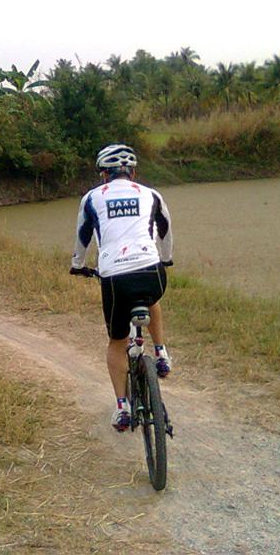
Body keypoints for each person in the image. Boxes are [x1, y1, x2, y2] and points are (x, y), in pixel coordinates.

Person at [70, 143, 174, 432]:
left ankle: (122, 408)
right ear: (133, 173)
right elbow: (165, 229)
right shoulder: (151, 194)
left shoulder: (92, 198)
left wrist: (78, 265)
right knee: (151, 298)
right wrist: (165, 259)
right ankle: (161, 353)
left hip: (116, 278)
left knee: (117, 341)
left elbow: (82, 236)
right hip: (151, 271)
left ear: (104, 174)